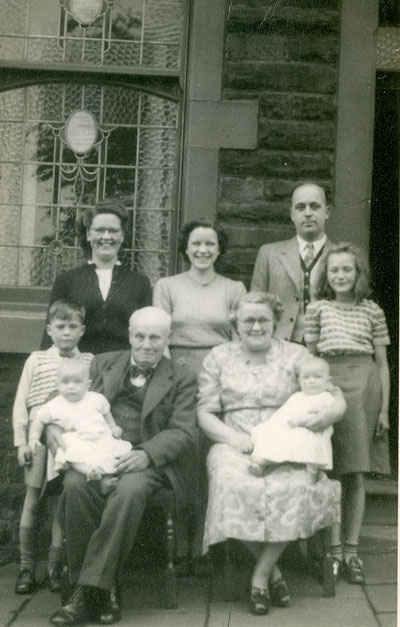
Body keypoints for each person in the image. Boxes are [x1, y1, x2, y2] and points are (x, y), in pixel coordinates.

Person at [197, 292, 344, 616]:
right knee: (232, 485)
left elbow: (333, 394)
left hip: (289, 440)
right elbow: (205, 412)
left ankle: (261, 575)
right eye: (248, 319)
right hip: (235, 439)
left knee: (295, 487)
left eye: (263, 319)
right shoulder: (218, 356)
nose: (256, 326)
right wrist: (233, 438)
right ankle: (273, 573)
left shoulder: (296, 354)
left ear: (275, 322)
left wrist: (332, 413)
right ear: (235, 322)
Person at [49, 307, 198, 627]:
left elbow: (184, 430)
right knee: (76, 485)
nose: (146, 344)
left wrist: (147, 453)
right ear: (130, 336)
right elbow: (58, 399)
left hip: (146, 461)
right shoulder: (103, 363)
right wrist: (54, 431)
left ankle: (85, 593)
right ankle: (106, 588)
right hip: (96, 454)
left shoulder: (182, 377)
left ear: (167, 339)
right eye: (140, 336)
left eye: (155, 337)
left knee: (128, 491)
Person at [153, 220, 246, 564]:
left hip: (218, 376)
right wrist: (173, 379)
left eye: (210, 244)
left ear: (219, 249)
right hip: (178, 374)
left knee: (212, 455)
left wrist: (229, 381)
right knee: (181, 454)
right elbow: (160, 336)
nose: (203, 250)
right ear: (186, 248)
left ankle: (205, 543)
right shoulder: (167, 286)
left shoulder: (233, 288)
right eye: (196, 244)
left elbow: (239, 340)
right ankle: (179, 540)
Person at [305, 242, 391, 585]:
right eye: (334, 270)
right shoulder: (318, 309)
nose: (340, 276)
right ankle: (334, 549)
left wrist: (384, 408)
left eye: (347, 270)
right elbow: (309, 359)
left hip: (364, 386)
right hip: (328, 384)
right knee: (331, 468)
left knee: (355, 471)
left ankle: (352, 551)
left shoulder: (372, 311)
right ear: (326, 275)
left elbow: (383, 364)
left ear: (358, 274)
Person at [12, 299, 93, 595]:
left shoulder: (88, 362)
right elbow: (21, 403)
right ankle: (26, 566)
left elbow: (91, 405)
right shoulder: (37, 359)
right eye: (60, 327)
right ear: (49, 329)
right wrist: (21, 441)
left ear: (82, 330)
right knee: (33, 500)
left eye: (73, 326)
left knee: (61, 505)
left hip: (68, 442)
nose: (67, 332)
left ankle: (54, 567)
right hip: (37, 440)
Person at [41, 199, 152, 354]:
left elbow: (148, 334)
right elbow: (51, 336)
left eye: (113, 231)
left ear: (122, 236)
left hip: (123, 370)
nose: (106, 237)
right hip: (76, 371)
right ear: (88, 234)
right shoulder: (66, 281)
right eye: (99, 230)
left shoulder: (140, 283)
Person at [29, 359, 131, 495]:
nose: (71, 387)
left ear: (87, 384)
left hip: (100, 436)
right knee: (73, 455)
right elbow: (39, 420)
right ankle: (90, 472)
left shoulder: (96, 398)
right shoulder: (54, 405)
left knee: (110, 455)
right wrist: (33, 438)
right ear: (57, 384)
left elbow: (106, 413)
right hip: (77, 439)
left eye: (77, 382)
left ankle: (105, 480)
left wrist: (113, 427)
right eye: (65, 382)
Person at [251, 182, 334, 342]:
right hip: (279, 347)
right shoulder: (269, 253)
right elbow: (255, 306)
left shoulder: (341, 255)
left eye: (315, 206)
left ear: (327, 212)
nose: (308, 213)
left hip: (326, 347)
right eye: (300, 207)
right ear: (292, 215)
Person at [249, 356, 340, 476]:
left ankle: (310, 471)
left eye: (317, 377)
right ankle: (261, 464)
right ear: (299, 381)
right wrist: (270, 426)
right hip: (291, 428)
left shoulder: (326, 398)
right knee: (274, 439)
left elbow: (319, 417)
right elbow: (282, 414)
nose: (311, 381)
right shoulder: (297, 397)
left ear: (328, 381)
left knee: (302, 444)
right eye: (306, 378)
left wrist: (299, 420)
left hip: (312, 432)